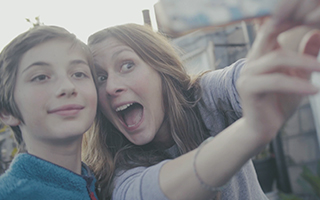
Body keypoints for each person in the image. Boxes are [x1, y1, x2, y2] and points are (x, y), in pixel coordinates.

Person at [83, 0, 320, 199]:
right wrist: (252, 129)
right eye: (100, 77)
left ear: (160, 68)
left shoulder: (204, 97)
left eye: (127, 65)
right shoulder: (115, 170)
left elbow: (250, 77)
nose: (111, 87)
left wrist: (301, 22)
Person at [0, 25, 98, 200]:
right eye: (41, 77)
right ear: (7, 111)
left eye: (78, 73)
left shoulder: (101, 185)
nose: (68, 87)